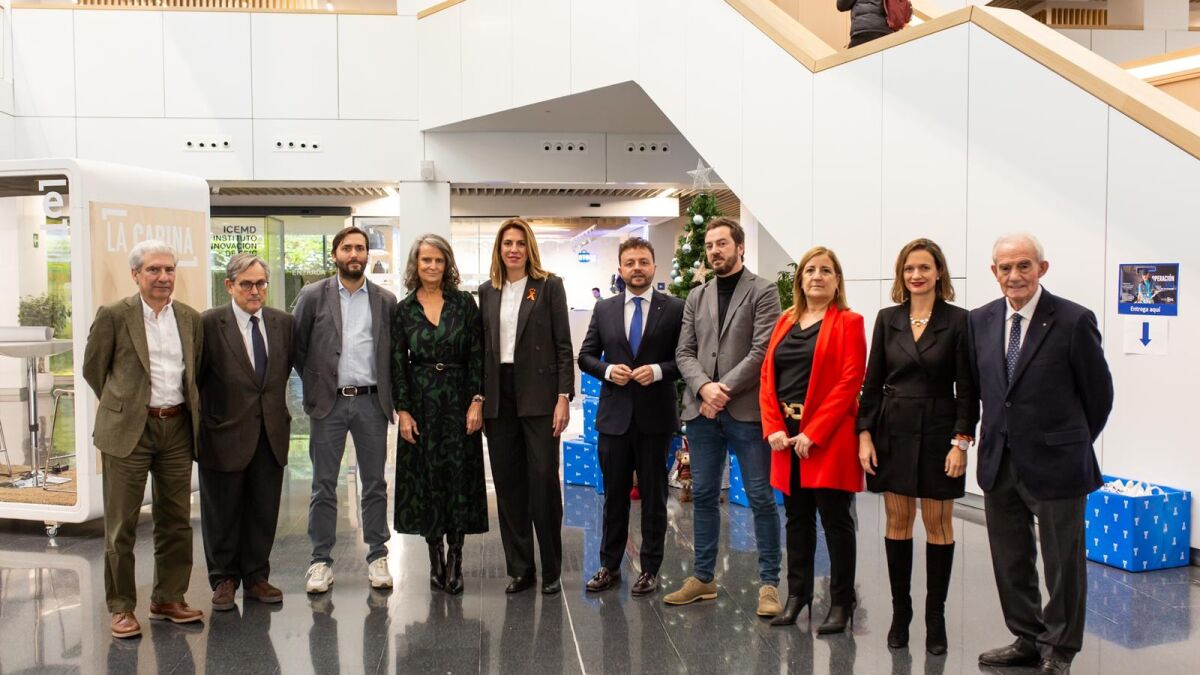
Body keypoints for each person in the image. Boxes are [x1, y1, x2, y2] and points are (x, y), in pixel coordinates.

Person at [971, 234, 1113, 675]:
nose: (1014, 275)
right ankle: (1027, 638)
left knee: (1062, 563)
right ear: (994, 272)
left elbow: (1099, 395)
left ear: (1042, 269)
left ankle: (1060, 648)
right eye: (1006, 267)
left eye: (1024, 266)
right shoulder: (980, 320)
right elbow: (982, 389)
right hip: (999, 462)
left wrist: (1070, 443)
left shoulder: (1073, 320)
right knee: (1010, 560)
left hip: (1057, 464)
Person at [857, 239, 977, 653]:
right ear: (901, 274)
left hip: (940, 430)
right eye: (909, 268)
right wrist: (865, 434)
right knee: (898, 520)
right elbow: (872, 382)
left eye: (925, 267)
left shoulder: (958, 320)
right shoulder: (887, 318)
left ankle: (935, 615)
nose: (917, 275)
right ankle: (901, 611)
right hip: (893, 429)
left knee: (939, 524)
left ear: (939, 272)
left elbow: (968, 389)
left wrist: (961, 442)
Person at [83, 239, 205, 639]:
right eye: (153, 269)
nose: (163, 277)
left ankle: (168, 597)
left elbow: (195, 371)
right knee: (122, 525)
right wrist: (125, 406)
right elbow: (93, 369)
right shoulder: (114, 315)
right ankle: (121, 607)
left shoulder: (189, 318)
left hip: (177, 428)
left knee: (176, 521)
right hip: (129, 432)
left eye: (169, 269)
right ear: (135, 274)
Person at [665, 217, 783, 618]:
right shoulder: (696, 296)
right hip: (702, 413)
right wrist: (704, 388)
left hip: (746, 411)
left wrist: (721, 390)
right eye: (710, 245)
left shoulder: (763, 291)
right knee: (702, 495)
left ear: (740, 247)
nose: (714, 251)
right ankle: (703, 578)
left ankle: (769, 584)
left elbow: (762, 350)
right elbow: (684, 351)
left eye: (722, 244)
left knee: (760, 497)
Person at [760, 246, 866, 633]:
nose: (817, 276)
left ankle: (841, 601)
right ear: (800, 280)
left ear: (837, 280)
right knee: (796, 519)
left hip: (828, 438)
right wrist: (773, 426)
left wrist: (814, 432)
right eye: (810, 270)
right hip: (786, 439)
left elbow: (850, 381)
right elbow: (767, 377)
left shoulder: (850, 322)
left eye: (825, 270)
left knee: (836, 521)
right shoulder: (785, 320)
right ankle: (798, 594)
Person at [293, 225, 398, 593]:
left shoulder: (385, 301)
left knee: (375, 483)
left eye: (360, 248)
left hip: (371, 402)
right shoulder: (312, 296)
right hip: (330, 403)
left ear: (367, 255)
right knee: (323, 484)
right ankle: (320, 561)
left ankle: (378, 555)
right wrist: (316, 384)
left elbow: (392, 352)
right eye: (347, 248)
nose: (354, 254)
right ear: (335, 254)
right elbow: (297, 347)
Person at [578, 237, 685, 597]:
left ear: (654, 266)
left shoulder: (675, 308)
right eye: (630, 262)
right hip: (615, 417)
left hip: (656, 417)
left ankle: (650, 568)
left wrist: (657, 370)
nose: (637, 268)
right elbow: (586, 356)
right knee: (614, 496)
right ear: (620, 269)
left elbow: (685, 358)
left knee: (654, 496)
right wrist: (608, 371)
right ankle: (609, 565)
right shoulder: (604, 309)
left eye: (643, 261)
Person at [479, 218, 574, 595]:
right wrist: (478, 398)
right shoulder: (487, 291)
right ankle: (520, 568)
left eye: (520, 243)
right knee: (508, 485)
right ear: (499, 250)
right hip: (499, 395)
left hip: (539, 394)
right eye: (507, 243)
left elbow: (564, 345)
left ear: (529, 247)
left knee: (543, 481)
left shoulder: (548, 286)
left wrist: (564, 396)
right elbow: (483, 350)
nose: (513, 249)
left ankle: (551, 568)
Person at [391, 234, 488, 596]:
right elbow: (397, 363)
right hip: (421, 403)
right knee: (427, 478)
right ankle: (435, 557)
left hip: (459, 400)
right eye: (425, 260)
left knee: (458, 478)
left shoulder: (464, 304)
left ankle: (457, 557)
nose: (432, 266)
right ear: (415, 265)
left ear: (447, 264)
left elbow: (478, 354)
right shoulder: (404, 309)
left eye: (438, 260)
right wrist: (403, 410)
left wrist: (477, 400)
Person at [197, 254, 295, 612]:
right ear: (229, 285)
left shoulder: (283, 323)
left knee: (263, 509)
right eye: (247, 284)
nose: (255, 291)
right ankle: (224, 579)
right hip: (224, 433)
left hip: (270, 432)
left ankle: (256, 576)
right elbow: (195, 378)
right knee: (221, 511)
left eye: (260, 284)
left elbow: (288, 369)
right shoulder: (209, 324)